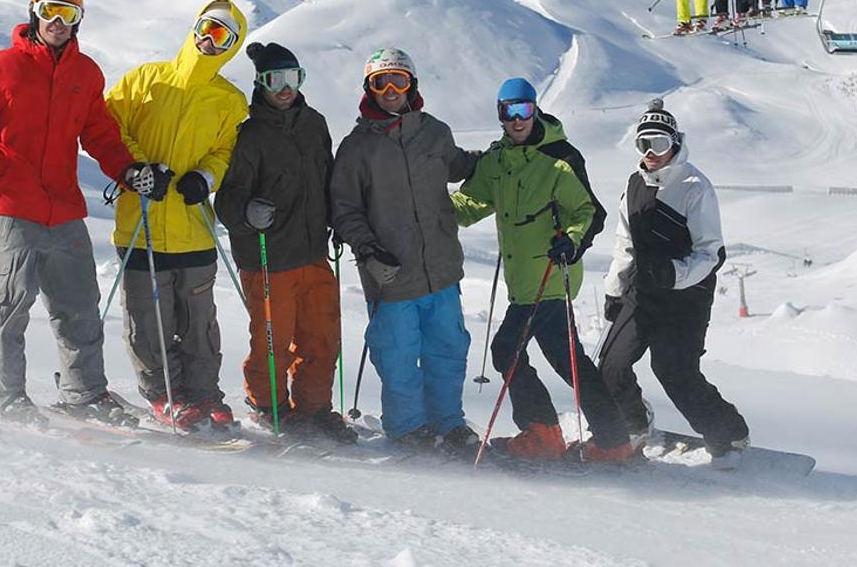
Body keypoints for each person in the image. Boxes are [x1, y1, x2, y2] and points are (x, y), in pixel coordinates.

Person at [0, 0, 159, 426]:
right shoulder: (3, 67)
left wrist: (128, 171)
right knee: (10, 306)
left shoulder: (85, 74)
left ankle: (84, 394)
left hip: (64, 207)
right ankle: (5, 395)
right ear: (34, 12)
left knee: (80, 307)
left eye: (67, 14)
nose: (57, 21)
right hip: (10, 204)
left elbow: (101, 134)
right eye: (50, 10)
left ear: (79, 21)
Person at [450, 78, 634, 462]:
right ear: (500, 115)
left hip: (551, 277)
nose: (517, 119)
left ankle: (571, 436)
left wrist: (572, 241)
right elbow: (470, 204)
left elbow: (589, 212)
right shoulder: (497, 160)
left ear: (535, 110)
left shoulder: (559, 158)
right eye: (508, 112)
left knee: (520, 353)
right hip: (522, 284)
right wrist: (426, 202)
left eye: (524, 110)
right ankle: (576, 435)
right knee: (540, 357)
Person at [104, 0, 250, 432]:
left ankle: (206, 394)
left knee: (199, 322)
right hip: (141, 224)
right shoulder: (144, 80)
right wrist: (139, 169)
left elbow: (226, 151)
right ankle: (165, 395)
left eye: (221, 35)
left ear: (232, 46)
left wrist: (205, 178)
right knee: (149, 322)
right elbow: (109, 127)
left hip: (194, 229)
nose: (208, 39)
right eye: (206, 28)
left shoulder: (229, 99)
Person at [330, 48, 481, 456]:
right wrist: (368, 251)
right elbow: (343, 209)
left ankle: (449, 423)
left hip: (441, 269)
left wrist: (504, 154)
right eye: (382, 82)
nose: (391, 90)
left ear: (412, 84)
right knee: (397, 355)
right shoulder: (357, 148)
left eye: (399, 80)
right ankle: (407, 427)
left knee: (448, 350)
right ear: (369, 88)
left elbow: (461, 166)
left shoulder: (435, 132)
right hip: (391, 275)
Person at [214, 42, 356, 444]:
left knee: (323, 336)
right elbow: (227, 198)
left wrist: (338, 219)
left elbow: (328, 180)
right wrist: (247, 212)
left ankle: (314, 407)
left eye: (293, 78)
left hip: (313, 251)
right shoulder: (249, 135)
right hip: (269, 256)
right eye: (276, 80)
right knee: (273, 341)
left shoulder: (315, 124)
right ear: (261, 83)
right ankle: (268, 405)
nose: (284, 88)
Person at [597, 99, 750, 464]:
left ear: (675, 143)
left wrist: (675, 274)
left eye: (659, 144)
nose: (651, 153)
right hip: (641, 293)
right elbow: (625, 245)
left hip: (685, 300)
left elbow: (711, 253)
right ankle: (633, 424)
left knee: (673, 371)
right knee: (610, 366)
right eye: (643, 144)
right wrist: (614, 290)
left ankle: (730, 435)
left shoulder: (695, 187)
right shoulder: (633, 186)